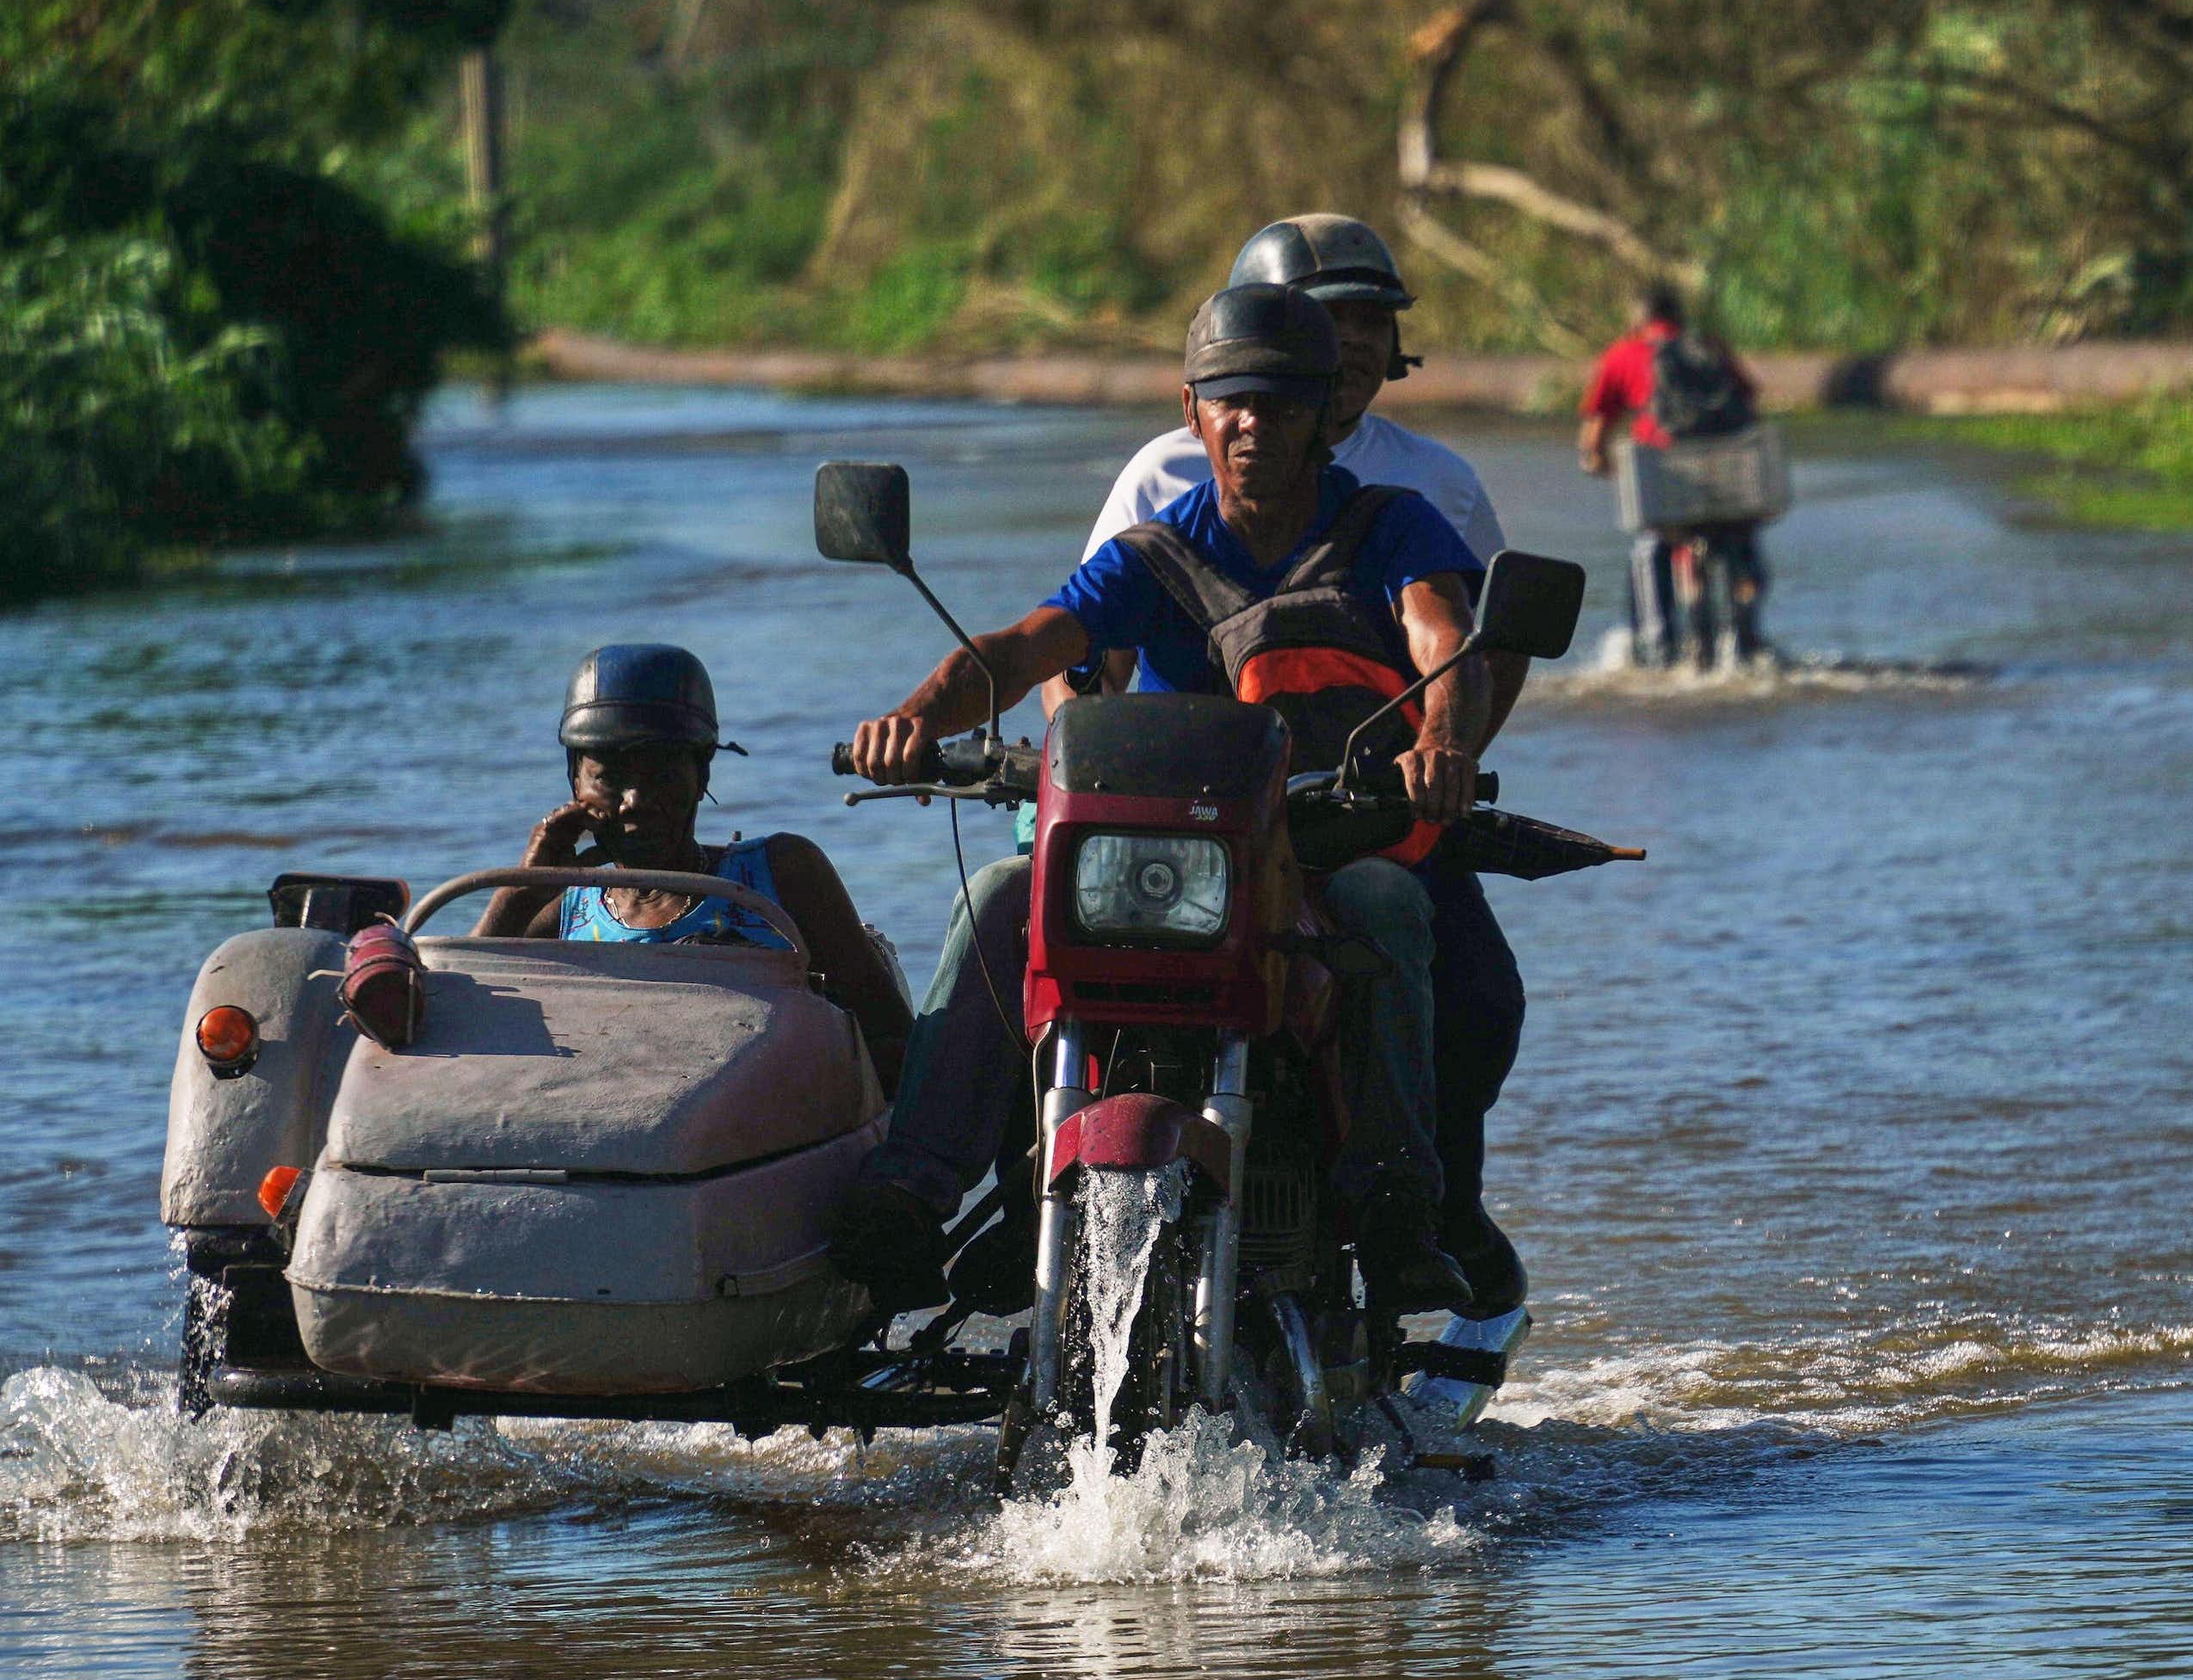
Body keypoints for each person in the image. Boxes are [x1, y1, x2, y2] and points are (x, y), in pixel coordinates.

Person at [832, 284, 1504, 1320]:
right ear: (1192, 412)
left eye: (1280, 403)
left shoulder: (1388, 525)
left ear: (1324, 414)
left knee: (1389, 907)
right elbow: (1026, 648)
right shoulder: (1159, 552)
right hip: (1164, 864)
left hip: (1320, 847)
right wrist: (914, 718)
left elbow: (1439, 632)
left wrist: (1443, 740)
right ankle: (915, 1193)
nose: (1252, 424)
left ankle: (1397, 1207)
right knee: (1003, 896)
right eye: (1230, 402)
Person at [1041, 213, 1527, 1311]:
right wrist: (1061, 756)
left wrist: (1435, 770)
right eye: (1322, 323)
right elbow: (1079, 646)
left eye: (1366, 324)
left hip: (1359, 813)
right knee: (1017, 938)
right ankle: (1006, 1189)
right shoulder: (1162, 477)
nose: (1348, 344)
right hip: (1171, 831)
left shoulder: (1423, 487)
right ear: (1211, 386)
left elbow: (1475, 647)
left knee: (1474, 994)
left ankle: (1423, 1205)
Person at [476, 643, 912, 1086]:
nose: (635, 802)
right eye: (608, 777)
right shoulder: (564, 916)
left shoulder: (778, 878)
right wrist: (521, 889)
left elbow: (894, 1045)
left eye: (662, 774)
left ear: (702, 773)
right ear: (574, 778)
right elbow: (457, 1012)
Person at [1578, 281, 1767, 666]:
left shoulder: (1622, 355)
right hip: (1729, 474)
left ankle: (1658, 644)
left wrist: (1600, 464)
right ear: (1678, 316)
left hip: (1666, 478)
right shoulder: (1712, 349)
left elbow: (1594, 441)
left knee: (1651, 543)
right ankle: (1747, 634)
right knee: (1739, 537)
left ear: (1636, 319)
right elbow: (1750, 404)